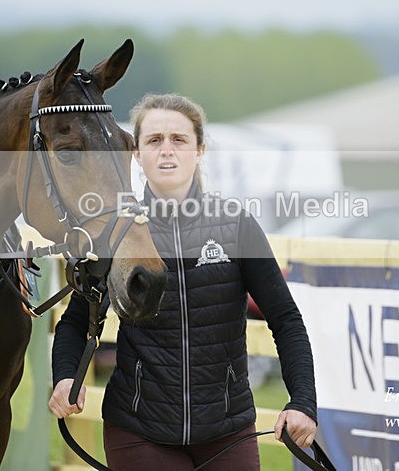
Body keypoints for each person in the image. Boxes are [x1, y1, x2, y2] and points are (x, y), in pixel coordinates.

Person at [49, 93, 317, 470]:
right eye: (154, 140)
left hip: (228, 428)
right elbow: (76, 322)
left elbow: (286, 319)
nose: (166, 151)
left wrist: (302, 401)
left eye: (179, 139)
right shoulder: (115, 233)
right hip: (138, 430)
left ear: (199, 149)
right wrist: (64, 378)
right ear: (137, 154)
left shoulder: (236, 226)